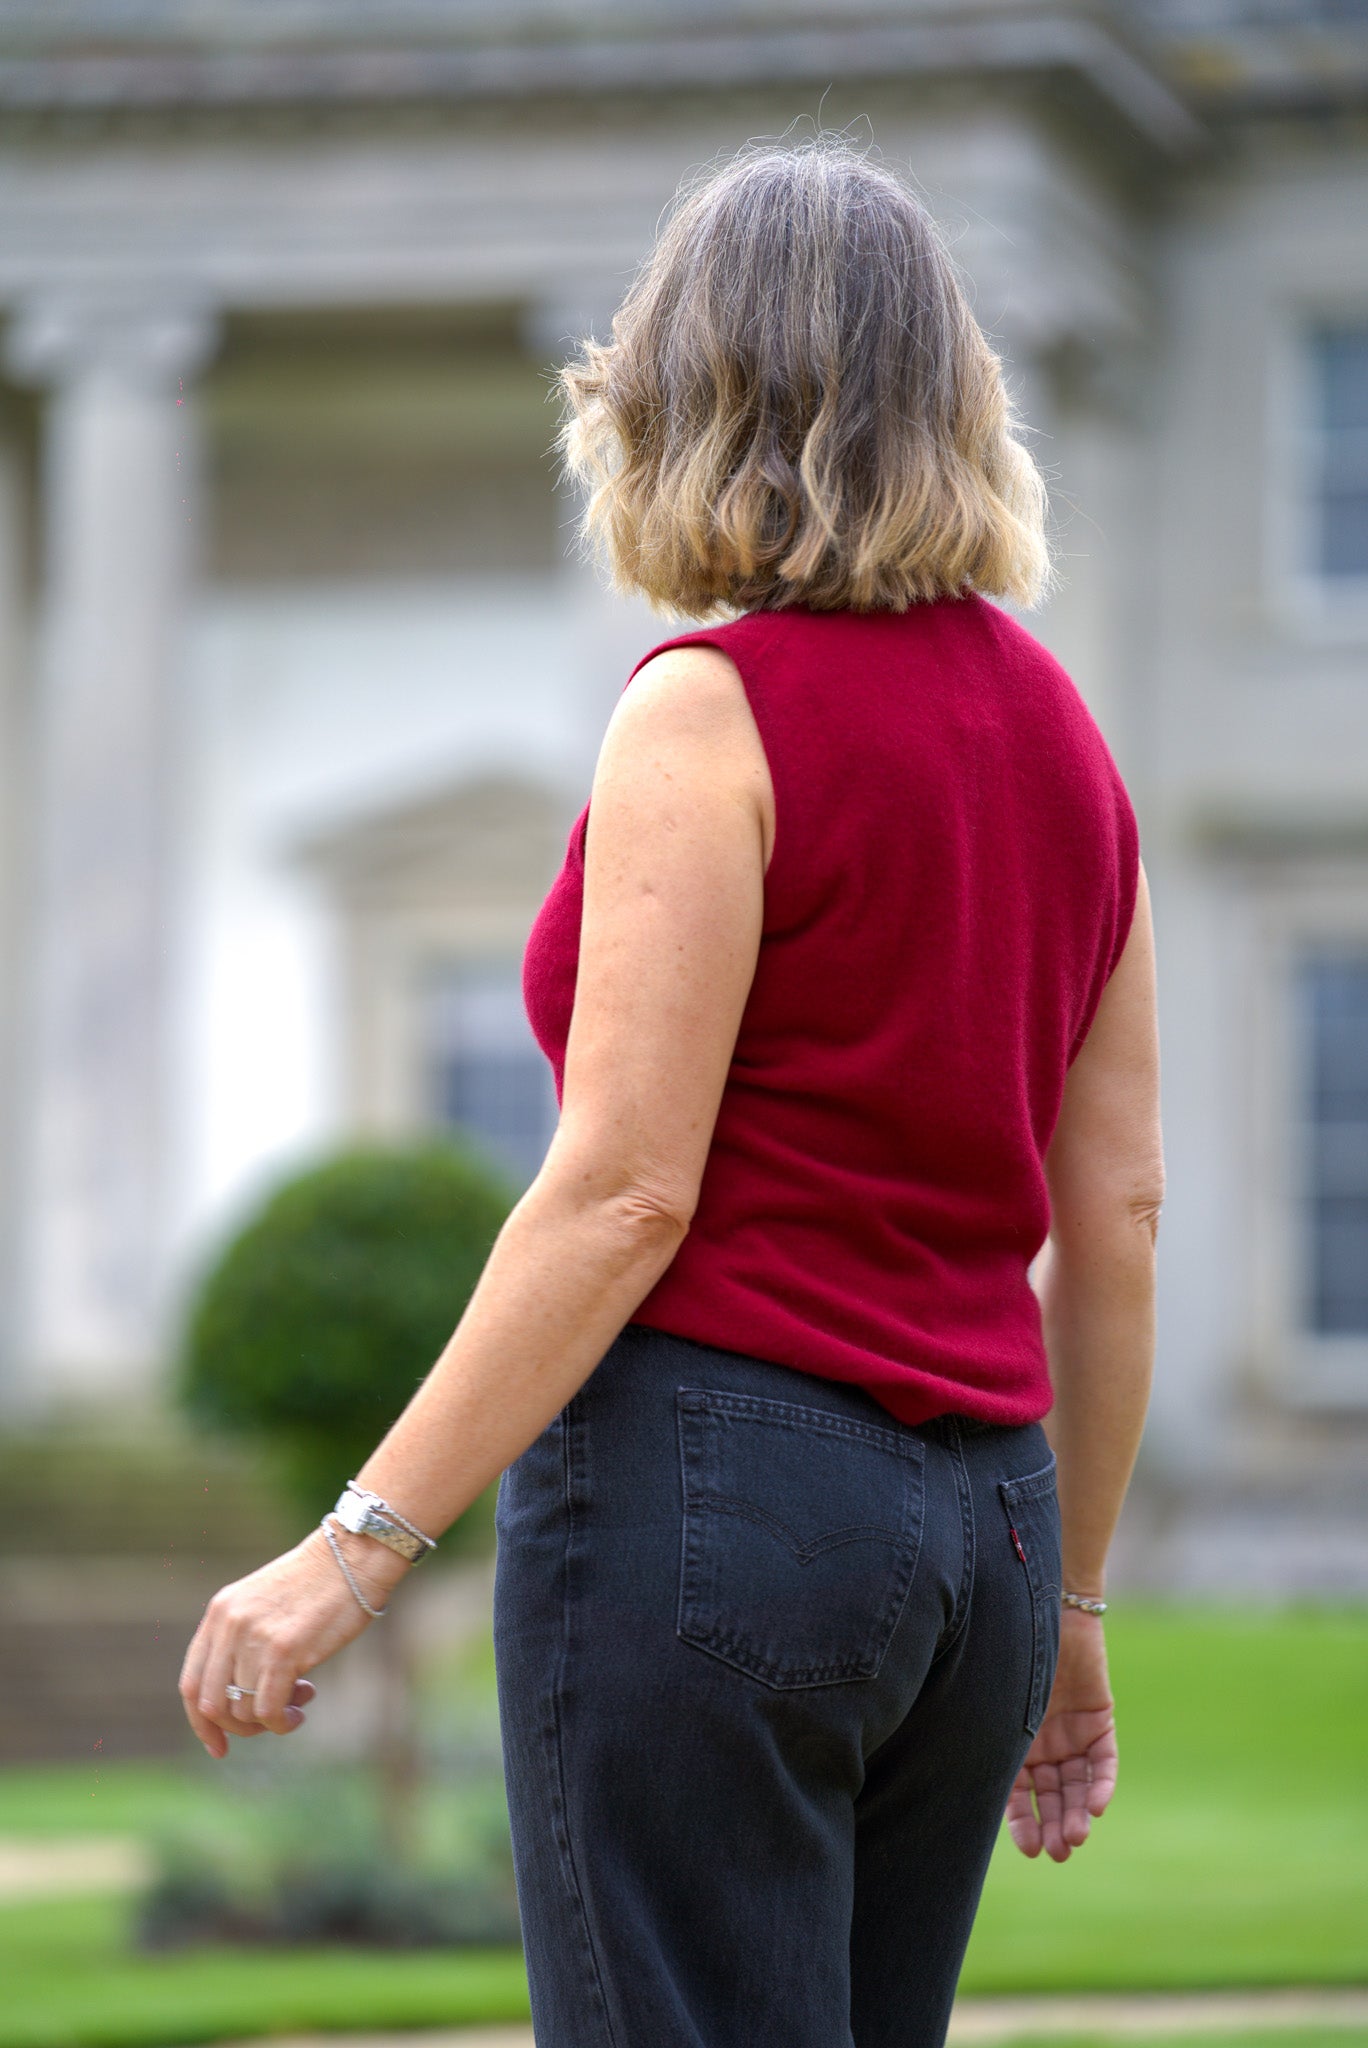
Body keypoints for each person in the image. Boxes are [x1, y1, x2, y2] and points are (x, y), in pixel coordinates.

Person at [179, 135, 1163, 2048]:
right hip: (989, 1536)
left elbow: (626, 1189)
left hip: (721, 1499)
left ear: (682, 394)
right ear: (953, 398)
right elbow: (1115, 1214)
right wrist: (1078, 1610)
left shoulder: (707, 707)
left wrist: (352, 1545)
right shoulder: (1068, 742)